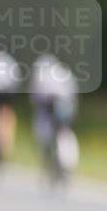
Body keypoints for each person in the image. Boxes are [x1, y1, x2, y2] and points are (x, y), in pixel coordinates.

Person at [30, 54, 80, 185]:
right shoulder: (64, 73)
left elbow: (36, 97)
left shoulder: (42, 75)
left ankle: (53, 165)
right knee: (63, 134)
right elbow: (73, 93)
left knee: (48, 136)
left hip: (51, 109)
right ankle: (61, 165)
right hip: (65, 108)